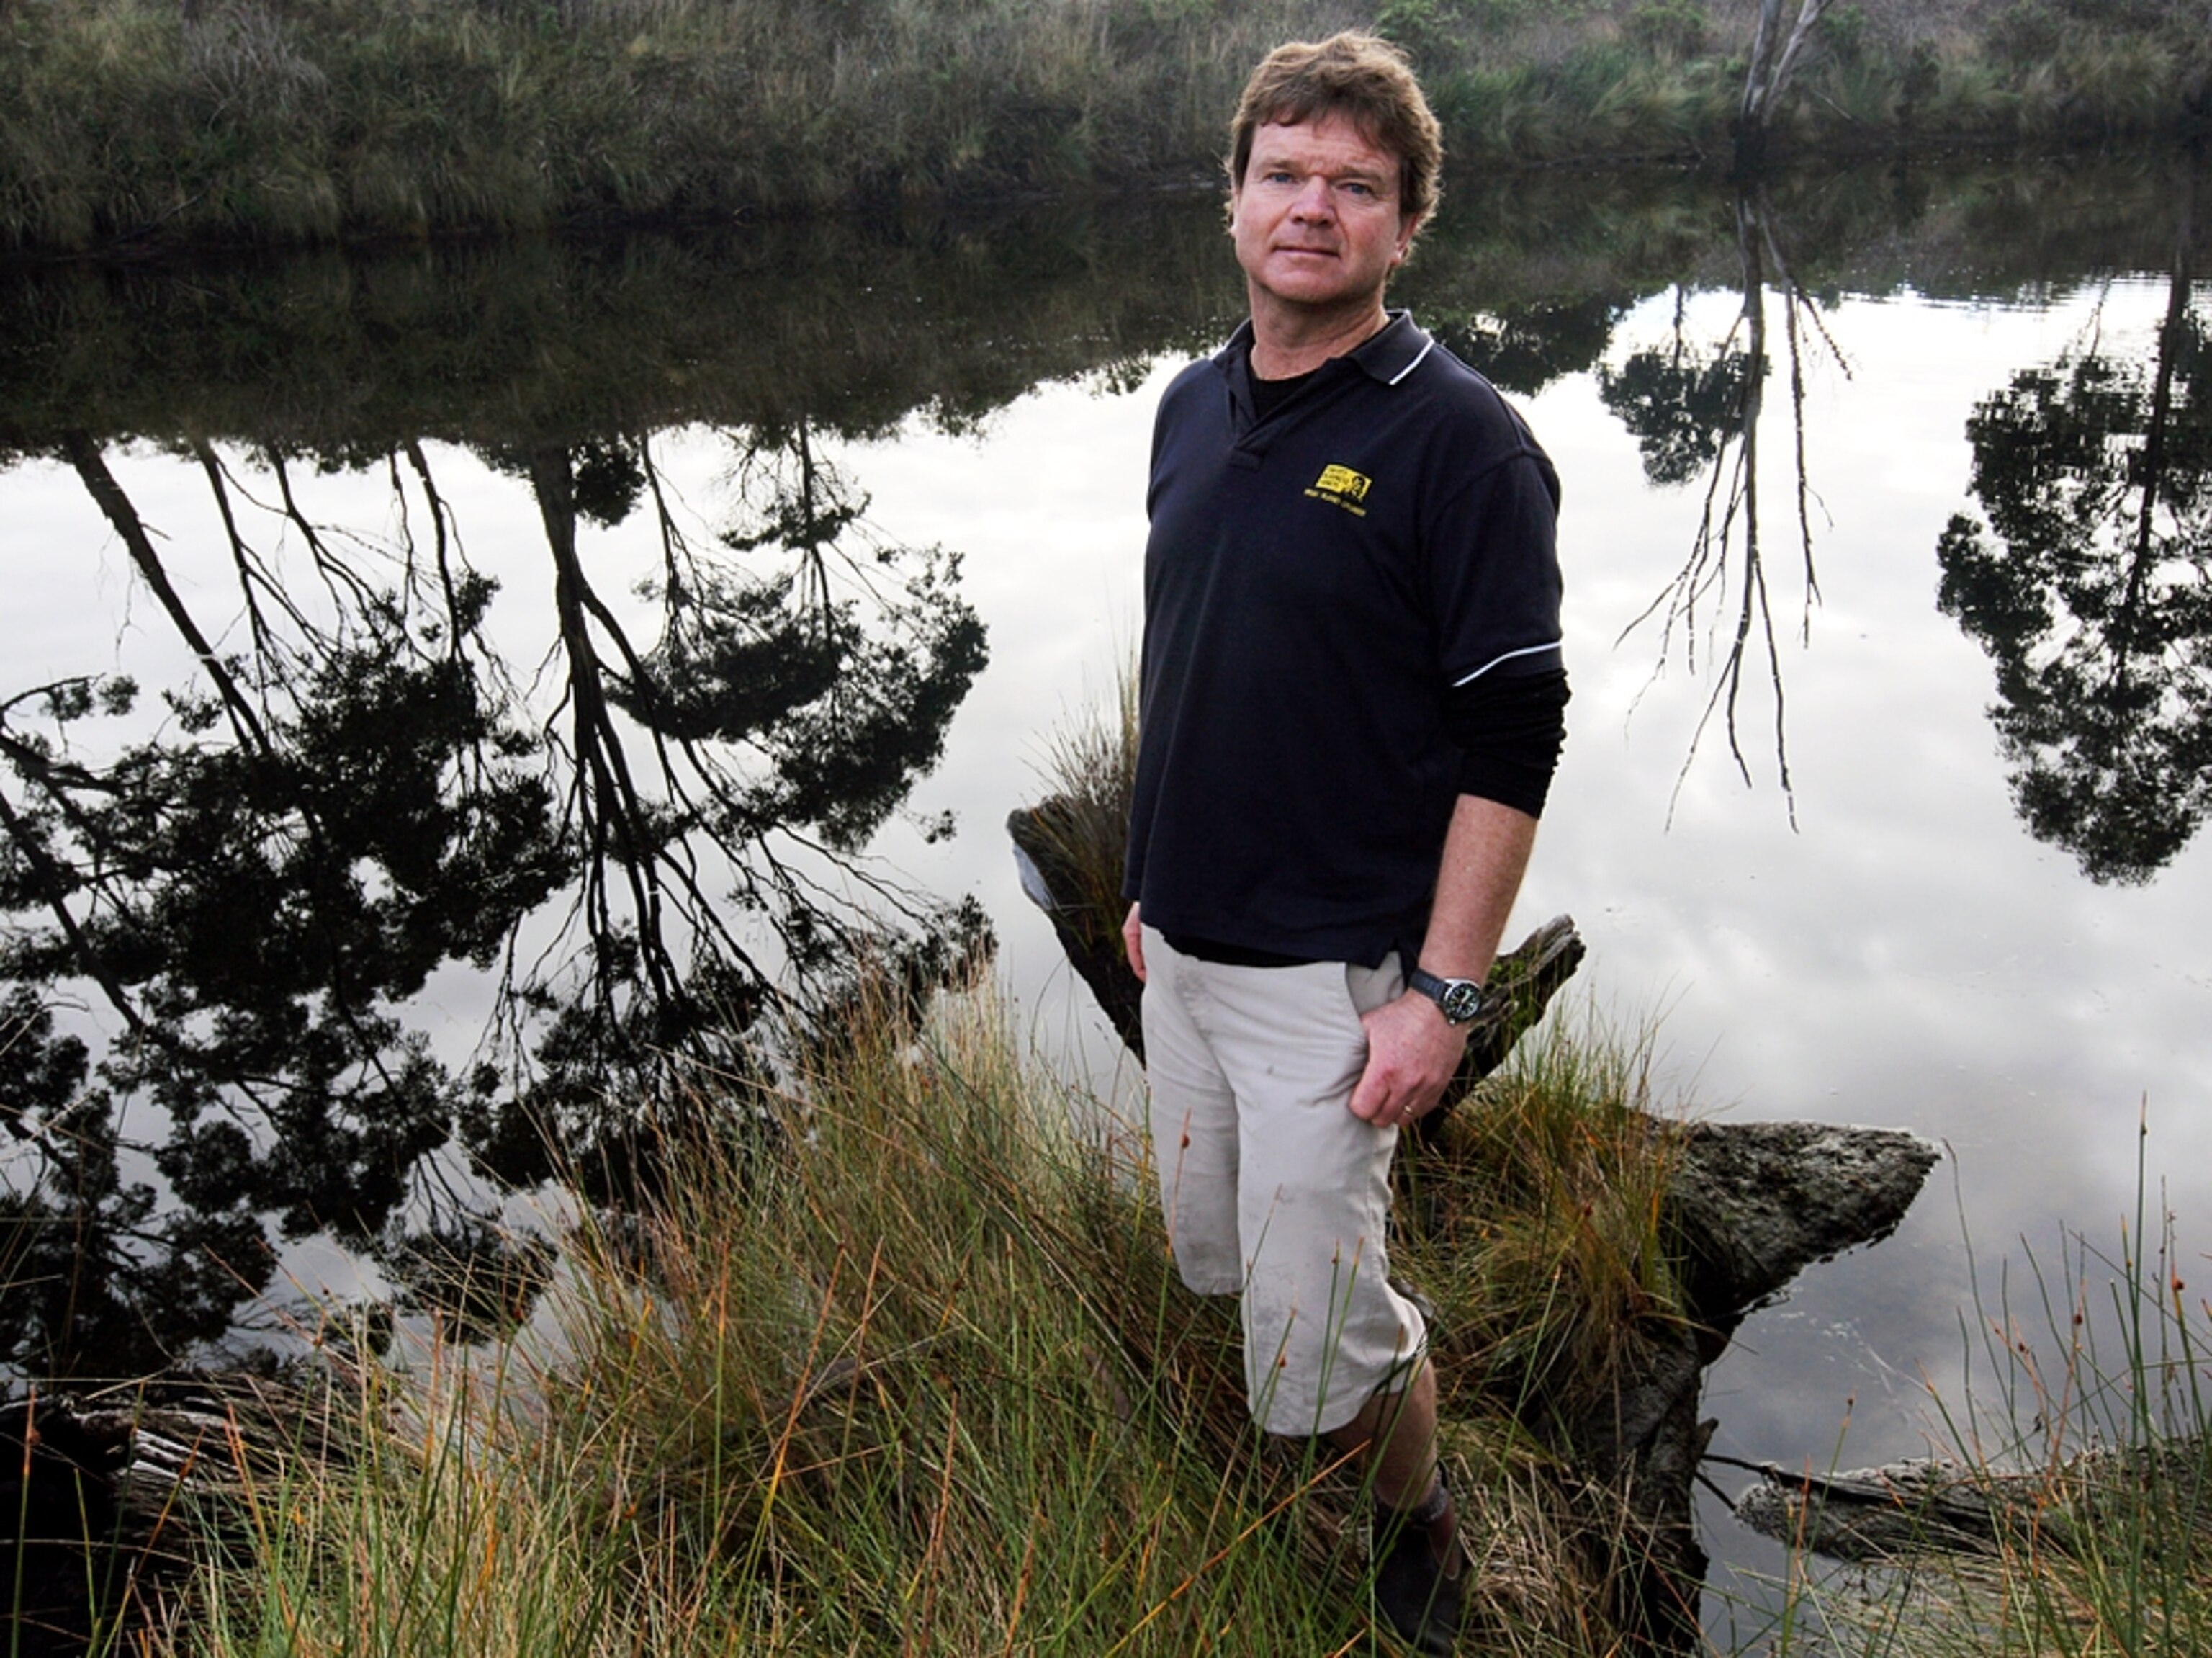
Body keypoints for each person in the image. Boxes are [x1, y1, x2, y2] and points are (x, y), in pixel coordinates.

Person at [1118, 31, 1568, 1654]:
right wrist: (1152, 886)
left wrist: (1443, 994)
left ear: (1403, 222)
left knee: (1331, 1336)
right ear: (1235, 200)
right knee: (1222, 1269)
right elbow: (1198, 652)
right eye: (1285, 175)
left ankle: (1414, 1516)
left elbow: (1516, 734)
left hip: (1340, 975)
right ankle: (1328, 1432)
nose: (1314, 208)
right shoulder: (1187, 404)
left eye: (1354, 186)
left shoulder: (1467, 444)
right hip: (1186, 951)